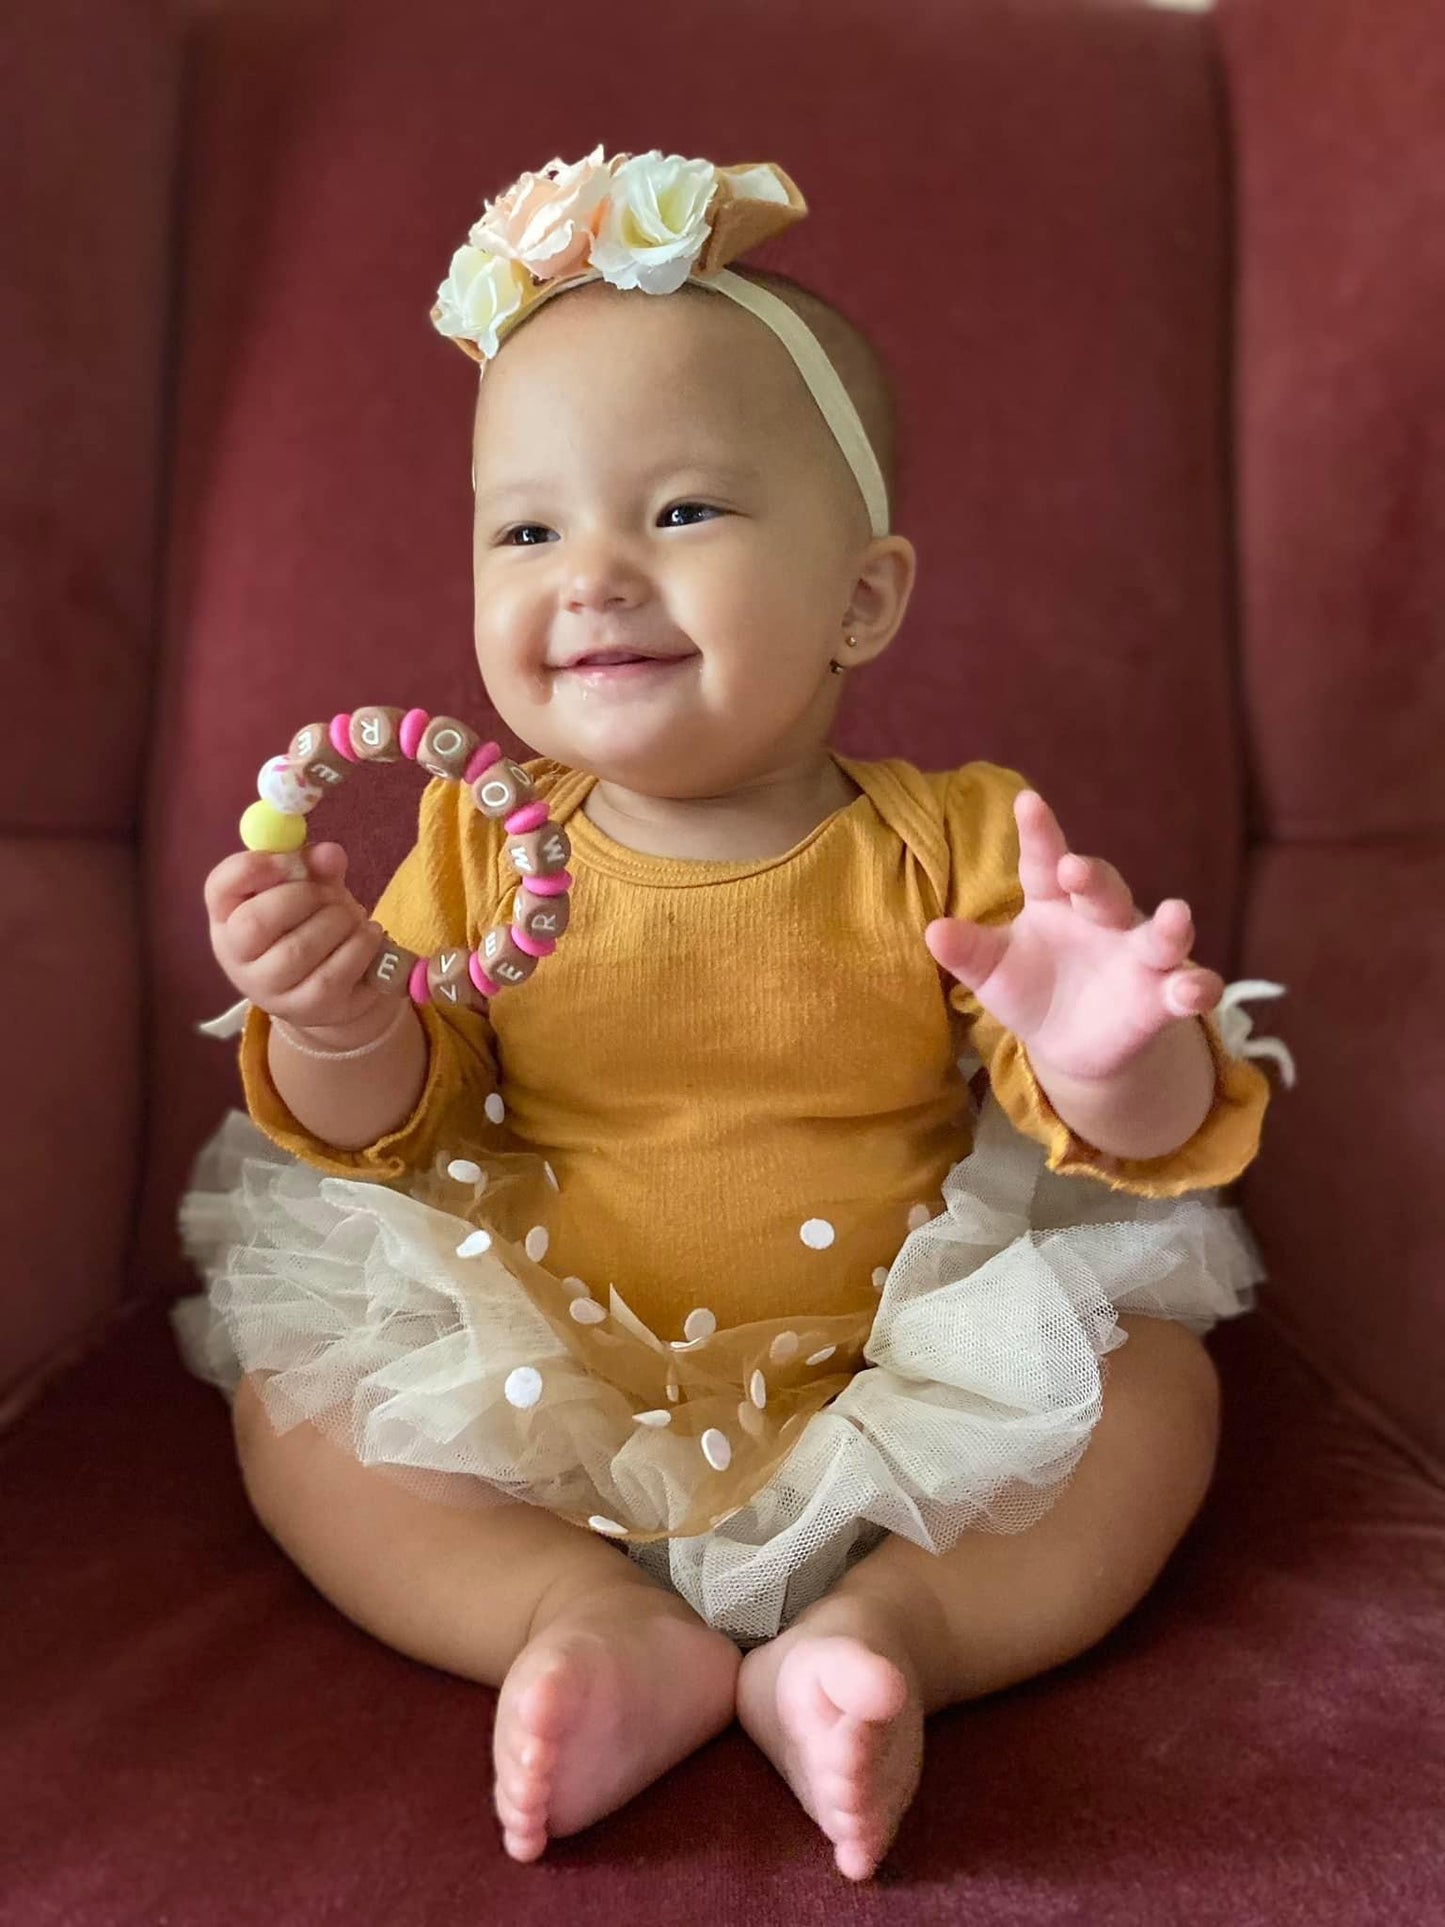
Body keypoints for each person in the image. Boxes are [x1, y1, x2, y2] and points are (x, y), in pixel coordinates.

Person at [174, 146, 1293, 1883]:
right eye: (527, 528)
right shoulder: (479, 836)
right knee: (305, 1413)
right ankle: (574, 1622)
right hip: (538, 1347)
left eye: (679, 511)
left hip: (896, 1366)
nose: (593, 572)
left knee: (1152, 1393)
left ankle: (889, 1641)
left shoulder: (961, 838)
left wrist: (1110, 1057)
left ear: (862, 596)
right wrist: (332, 1014)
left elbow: (1127, 1149)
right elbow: (392, 1113)